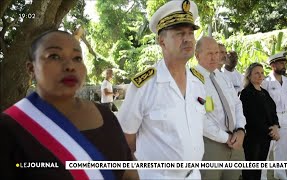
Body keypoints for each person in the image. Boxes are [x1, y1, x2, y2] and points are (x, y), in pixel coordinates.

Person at [0, 30, 138, 180]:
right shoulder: (9, 127)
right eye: (54, 56)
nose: (70, 66)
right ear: (31, 68)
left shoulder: (106, 116)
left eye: (77, 58)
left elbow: (128, 172)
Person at [116, 1, 206, 179]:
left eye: (190, 33)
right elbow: (126, 139)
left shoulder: (198, 81)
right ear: (162, 41)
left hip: (194, 175)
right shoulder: (144, 85)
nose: (188, 39)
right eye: (180, 33)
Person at [195, 36, 246, 180]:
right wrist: (226, 137)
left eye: (217, 53)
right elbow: (199, 118)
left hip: (235, 141)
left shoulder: (222, 77)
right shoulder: (192, 79)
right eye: (209, 53)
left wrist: (241, 129)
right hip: (210, 144)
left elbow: (237, 104)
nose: (214, 57)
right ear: (197, 55)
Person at [240, 62, 280, 180]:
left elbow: (273, 111)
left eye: (262, 73)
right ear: (249, 76)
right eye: (256, 73)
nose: (260, 75)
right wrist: (271, 131)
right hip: (253, 138)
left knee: (259, 168)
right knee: (251, 169)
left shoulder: (264, 92)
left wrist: (276, 126)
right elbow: (251, 118)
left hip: (265, 137)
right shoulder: (246, 93)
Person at [261, 51, 287, 180]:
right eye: (281, 63)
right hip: (271, 118)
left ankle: (280, 172)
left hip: (286, 116)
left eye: (284, 63)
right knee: (266, 147)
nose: (284, 65)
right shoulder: (266, 81)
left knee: (283, 145)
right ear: (273, 65)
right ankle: (262, 175)